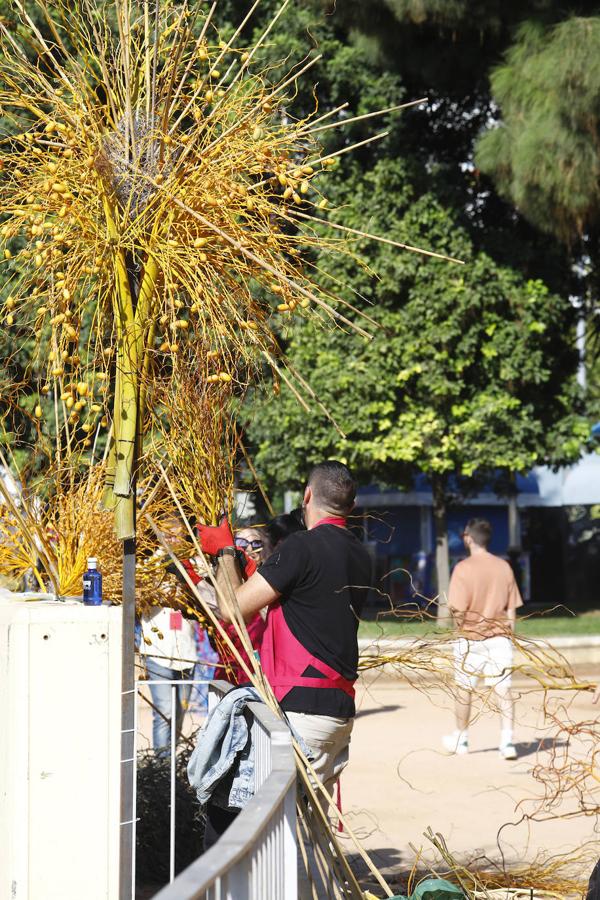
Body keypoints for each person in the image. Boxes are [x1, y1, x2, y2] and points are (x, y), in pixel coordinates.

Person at [199, 460, 372, 806]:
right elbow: (301, 603)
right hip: (338, 711)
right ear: (350, 508)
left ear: (307, 495)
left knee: (278, 827)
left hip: (302, 710)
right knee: (312, 828)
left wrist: (225, 552)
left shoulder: (301, 547)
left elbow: (231, 609)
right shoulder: (359, 553)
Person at [443, 517, 523, 760]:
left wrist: (461, 631)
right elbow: (512, 610)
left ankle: (461, 738)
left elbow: (457, 611)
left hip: (470, 638)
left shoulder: (462, 569)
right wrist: (509, 633)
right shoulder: (504, 567)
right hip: (499, 638)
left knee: (464, 689)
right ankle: (507, 742)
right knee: (503, 690)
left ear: (468, 538)